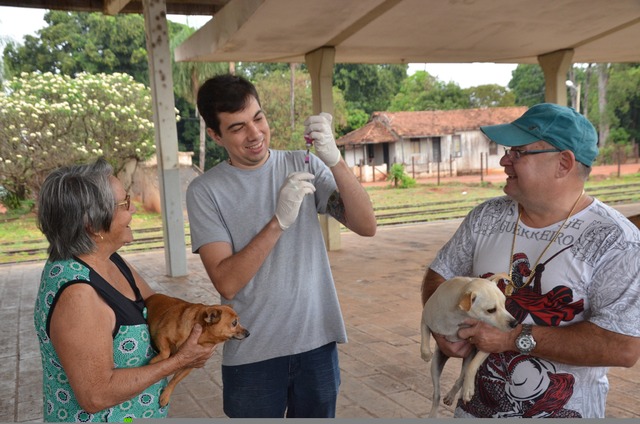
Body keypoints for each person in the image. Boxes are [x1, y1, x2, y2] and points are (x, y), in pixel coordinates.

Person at [421, 103, 640, 418]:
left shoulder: (617, 240)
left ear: (563, 163)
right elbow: (439, 276)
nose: (504, 160)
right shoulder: (486, 217)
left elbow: (622, 346)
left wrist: (511, 338)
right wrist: (442, 329)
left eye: (518, 153)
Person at [186, 74, 377, 418]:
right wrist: (278, 222)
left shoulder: (301, 164)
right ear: (215, 135)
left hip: (316, 344)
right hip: (252, 352)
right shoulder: (205, 191)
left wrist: (334, 159)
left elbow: (366, 225)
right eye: (237, 127)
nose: (255, 134)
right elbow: (226, 282)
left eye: (258, 118)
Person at [34, 158, 216, 422]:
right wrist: (178, 361)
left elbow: (154, 303)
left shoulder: (107, 260)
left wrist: (195, 319)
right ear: (92, 225)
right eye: (124, 205)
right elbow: (95, 396)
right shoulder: (78, 295)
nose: (133, 212)